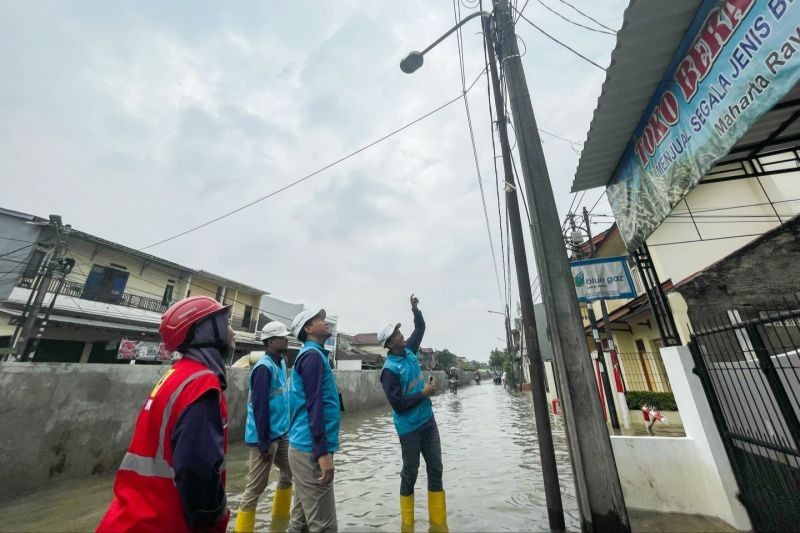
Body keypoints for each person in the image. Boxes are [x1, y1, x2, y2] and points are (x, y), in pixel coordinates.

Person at [97, 296, 233, 533]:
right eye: (225, 322)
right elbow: (197, 468)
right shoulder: (201, 384)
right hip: (161, 521)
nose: (232, 331)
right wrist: (215, 514)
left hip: (134, 518)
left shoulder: (178, 375)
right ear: (205, 331)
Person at [379, 294, 447, 533]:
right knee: (410, 473)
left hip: (428, 422)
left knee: (436, 469)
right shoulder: (388, 372)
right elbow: (398, 405)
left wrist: (415, 310)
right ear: (389, 344)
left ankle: (439, 524)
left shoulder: (409, 351)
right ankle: (407, 526)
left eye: (400, 332)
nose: (401, 334)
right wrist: (424, 393)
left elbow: (420, 328)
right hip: (409, 429)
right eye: (397, 334)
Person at [233, 321, 294, 532]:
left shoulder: (283, 362)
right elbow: (260, 408)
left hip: (282, 433)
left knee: (288, 474)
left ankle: (279, 523)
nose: (286, 339)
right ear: (269, 342)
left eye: (285, 336)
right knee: (255, 488)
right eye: (281, 337)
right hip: (264, 437)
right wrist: (264, 442)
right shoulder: (263, 368)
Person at [287, 308, 340, 533]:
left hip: (304, 447)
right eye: (319, 320)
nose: (325, 322)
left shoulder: (315, 355)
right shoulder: (312, 357)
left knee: (300, 523)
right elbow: (314, 405)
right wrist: (322, 453)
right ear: (308, 329)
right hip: (310, 450)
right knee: (325, 526)